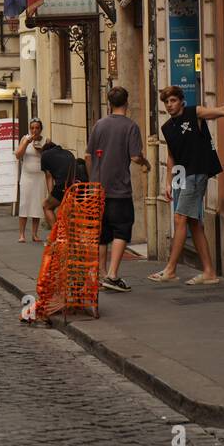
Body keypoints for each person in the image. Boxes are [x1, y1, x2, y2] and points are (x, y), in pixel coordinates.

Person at [148, 85, 224, 286]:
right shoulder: (167, 127)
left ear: (181, 100)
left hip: (197, 173)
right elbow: (171, 156)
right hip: (183, 175)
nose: (170, 105)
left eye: (173, 101)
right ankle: (209, 272)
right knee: (194, 223)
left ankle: (170, 270)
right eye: (166, 102)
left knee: (180, 218)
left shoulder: (195, 113)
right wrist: (167, 182)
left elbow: (222, 111)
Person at [86, 86, 151, 293]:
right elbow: (134, 156)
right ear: (127, 102)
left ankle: (101, 274)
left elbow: (88, 156)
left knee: (102, 233)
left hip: (98, 189)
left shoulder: (99, 125)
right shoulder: (131, 126)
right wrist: (145, 163)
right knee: (122, 229)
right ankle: (112, 275)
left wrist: (94, 179)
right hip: (119, 189)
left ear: (109, 103)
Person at [15, 119, 46, 243]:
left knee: (37, 205)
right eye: (32, 128)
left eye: (37, 128)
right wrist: (26, 143)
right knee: (24, 203)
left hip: (39, 176)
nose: (34, 130)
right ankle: (22, 234)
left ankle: (34, 234)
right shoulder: (25, 139)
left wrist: (41, 151)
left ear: (40, 129)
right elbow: (18, 155)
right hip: (27, 176)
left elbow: (48, 157)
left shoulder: (45, 140)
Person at [39, 139, 79, 230]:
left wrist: (50, 195)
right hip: (78, 185)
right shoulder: (68, 153)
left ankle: (56, 236)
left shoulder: (45, 155)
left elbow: (49, 177)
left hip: (63, 185)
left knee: (46, 206)